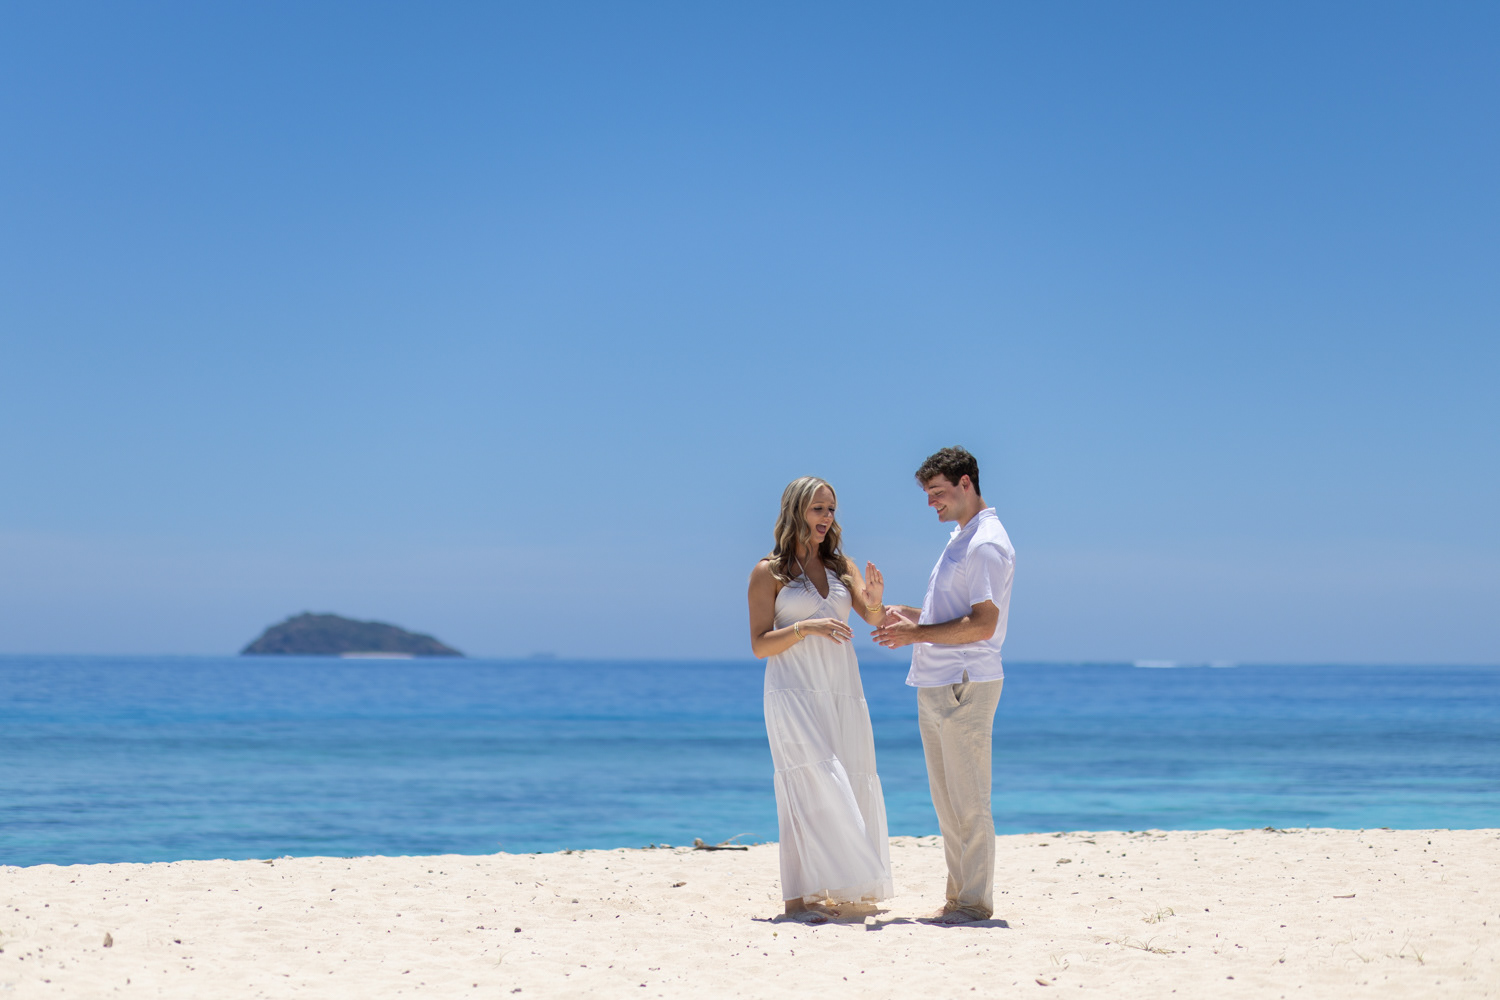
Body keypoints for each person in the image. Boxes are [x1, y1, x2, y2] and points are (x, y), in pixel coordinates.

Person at [872, 447, 1014, 924]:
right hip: (938, 681)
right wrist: (905, 615)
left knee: (969, 801)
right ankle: (958, 899)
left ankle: (974, 903)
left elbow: (984, 624)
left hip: (964, 682)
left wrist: (916, 634)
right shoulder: (962, 537)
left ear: (965, 483)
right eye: (928, 494)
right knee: (947, 802)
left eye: (937, 492)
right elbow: (949, 615)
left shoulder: (985, 543)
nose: (931, 502)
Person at [748, 476, 894, 922]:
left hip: (840, 689)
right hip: (791, 690)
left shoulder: (840, 565)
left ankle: (832, 887)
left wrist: (876, 601)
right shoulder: (768, 572)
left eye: (830, 509)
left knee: (845, 775)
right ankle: (797, 899)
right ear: (796, 511)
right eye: (817, 509)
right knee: (808, 782)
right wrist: (805, 627)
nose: (826, 517)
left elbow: (872, 617)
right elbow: (759, 645)